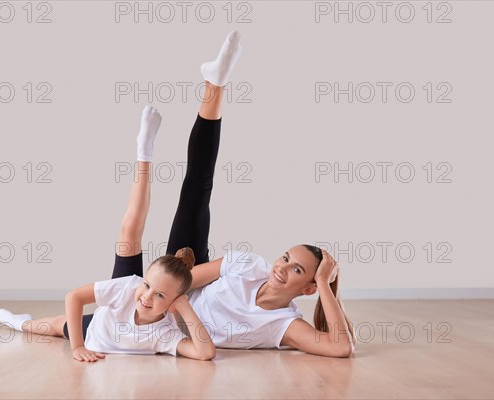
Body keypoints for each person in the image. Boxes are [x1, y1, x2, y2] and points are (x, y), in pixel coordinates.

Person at [113, 31, 356, 358]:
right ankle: (216, 84)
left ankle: (25, 323)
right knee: (197, 190)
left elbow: (341, 348)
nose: (281, 268)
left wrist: (327, 284)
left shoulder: (283, 323)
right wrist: (154, 303)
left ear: (309, 288)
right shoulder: (247, 265)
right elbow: (179, 284)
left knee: (88, 319)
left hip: (172, 330)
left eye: (296, 270)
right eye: (285, 257)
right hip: (166, 298)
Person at [0, 106, 216, 362]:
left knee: (57, 325)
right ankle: (144, 152)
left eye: (160, 295)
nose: (146, 297)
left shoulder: (164, 333)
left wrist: (185, 307)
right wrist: (78, 347)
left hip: (99, 332)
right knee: (129, 229)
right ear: (141, 280)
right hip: (105, 321)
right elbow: (74, 296)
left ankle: (21, 323)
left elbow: (206, 354)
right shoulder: (128, 289)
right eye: (147, 285)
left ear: (173, 303)